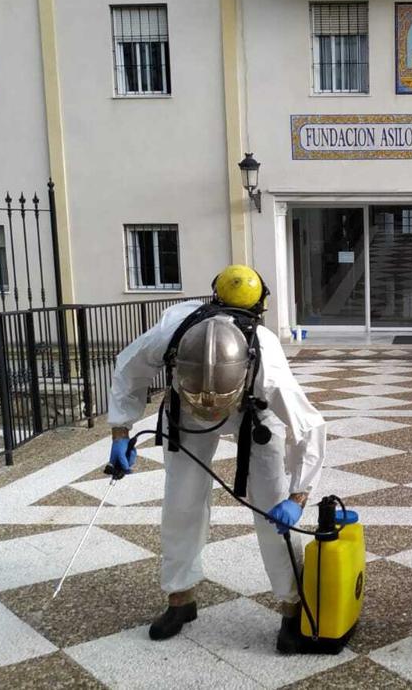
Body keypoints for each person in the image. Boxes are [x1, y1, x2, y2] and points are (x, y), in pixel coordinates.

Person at [107, 264, 327, 650]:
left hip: (254, 413)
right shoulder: (173, 332)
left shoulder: (266, 360)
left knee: (271, 509)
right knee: (182, 503)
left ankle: (292, 610)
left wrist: (297, 496)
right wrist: (120, 432)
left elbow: (307, 427)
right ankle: (180, 599)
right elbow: (128, 369)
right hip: (187, 408)